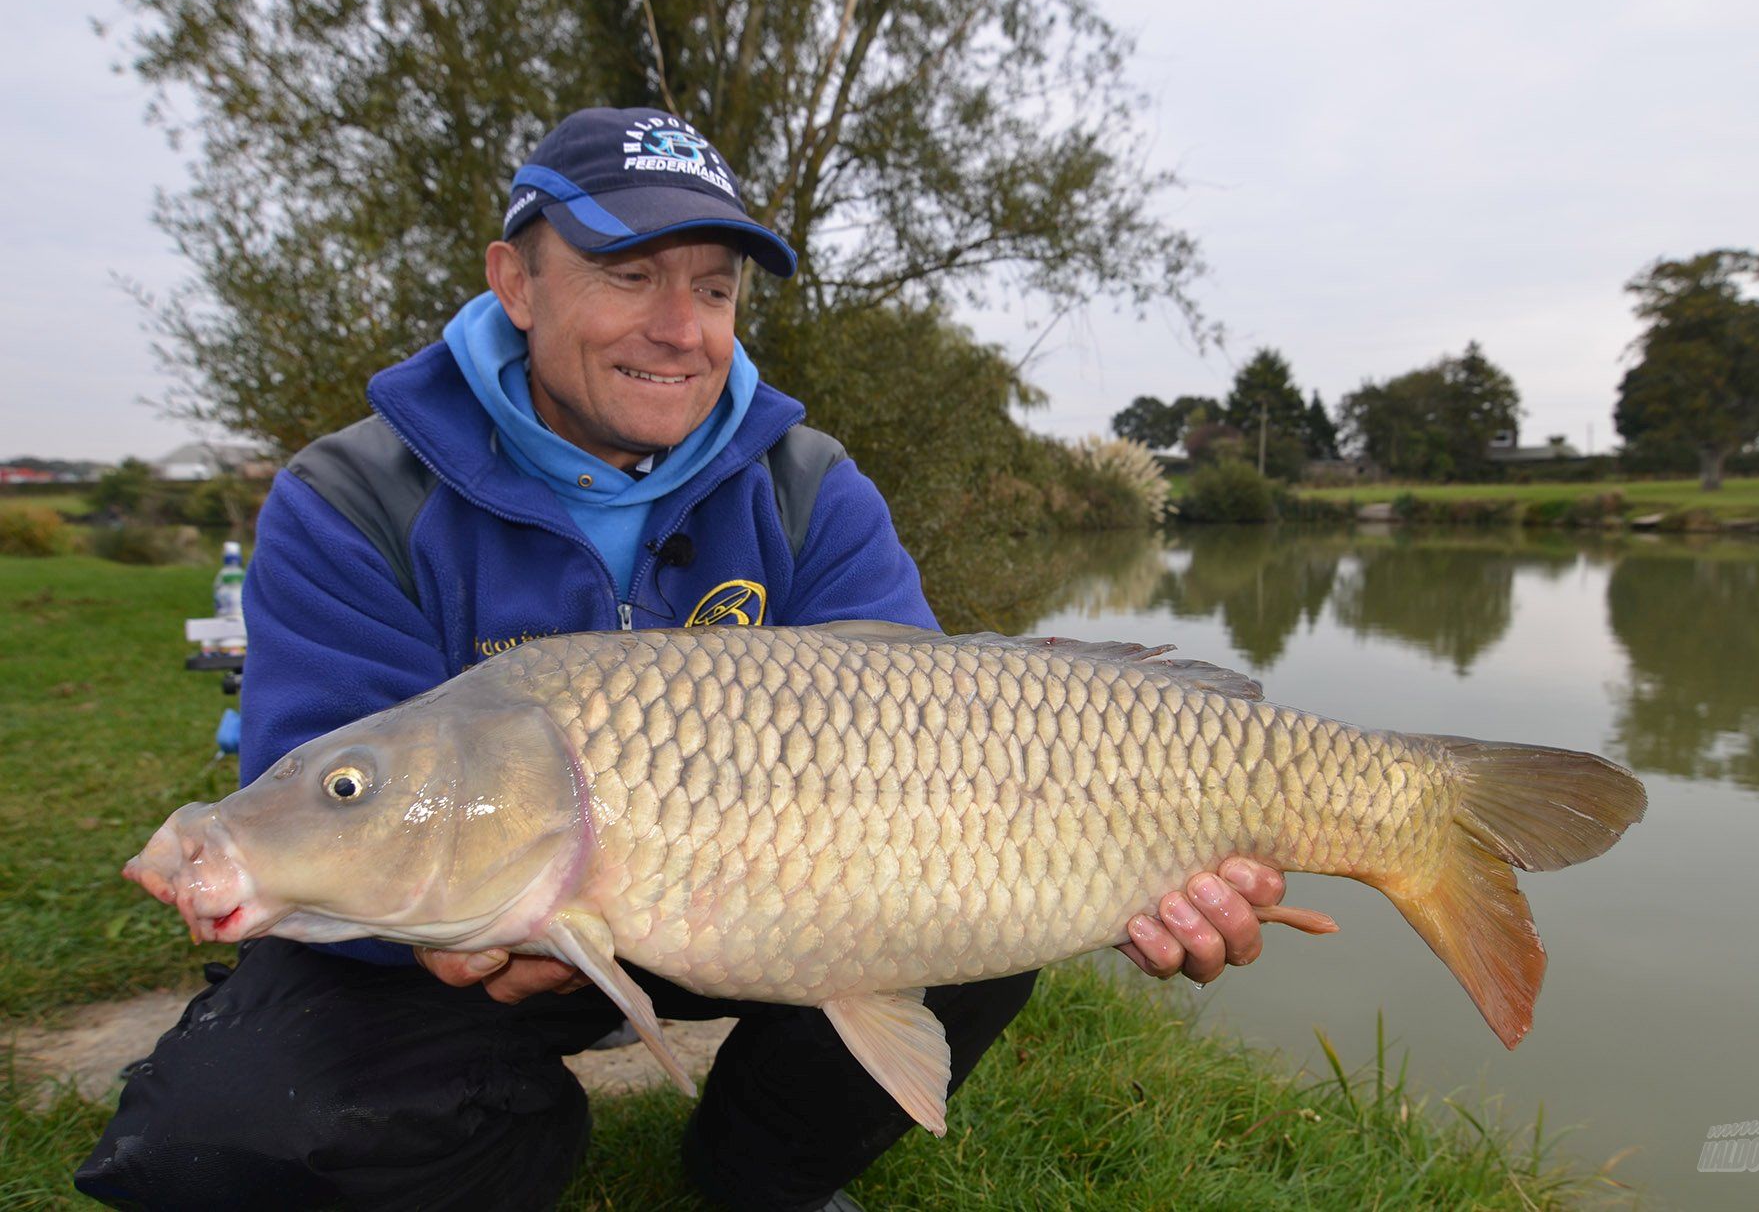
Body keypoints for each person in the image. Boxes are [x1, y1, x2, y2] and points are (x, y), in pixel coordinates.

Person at [76, 107, 1309, 1211]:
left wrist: (1139, 863)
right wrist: (432, 941)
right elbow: (329, 777)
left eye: (713, 291)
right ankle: (507, 1135)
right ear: (515, 279)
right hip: (462, 934)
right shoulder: (352, 495)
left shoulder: (808, 485)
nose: (679, 329)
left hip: (755, 913)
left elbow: (951, 739)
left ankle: (760, 1178)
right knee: (217, 1145)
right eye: (628, 275)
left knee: (989, 888)